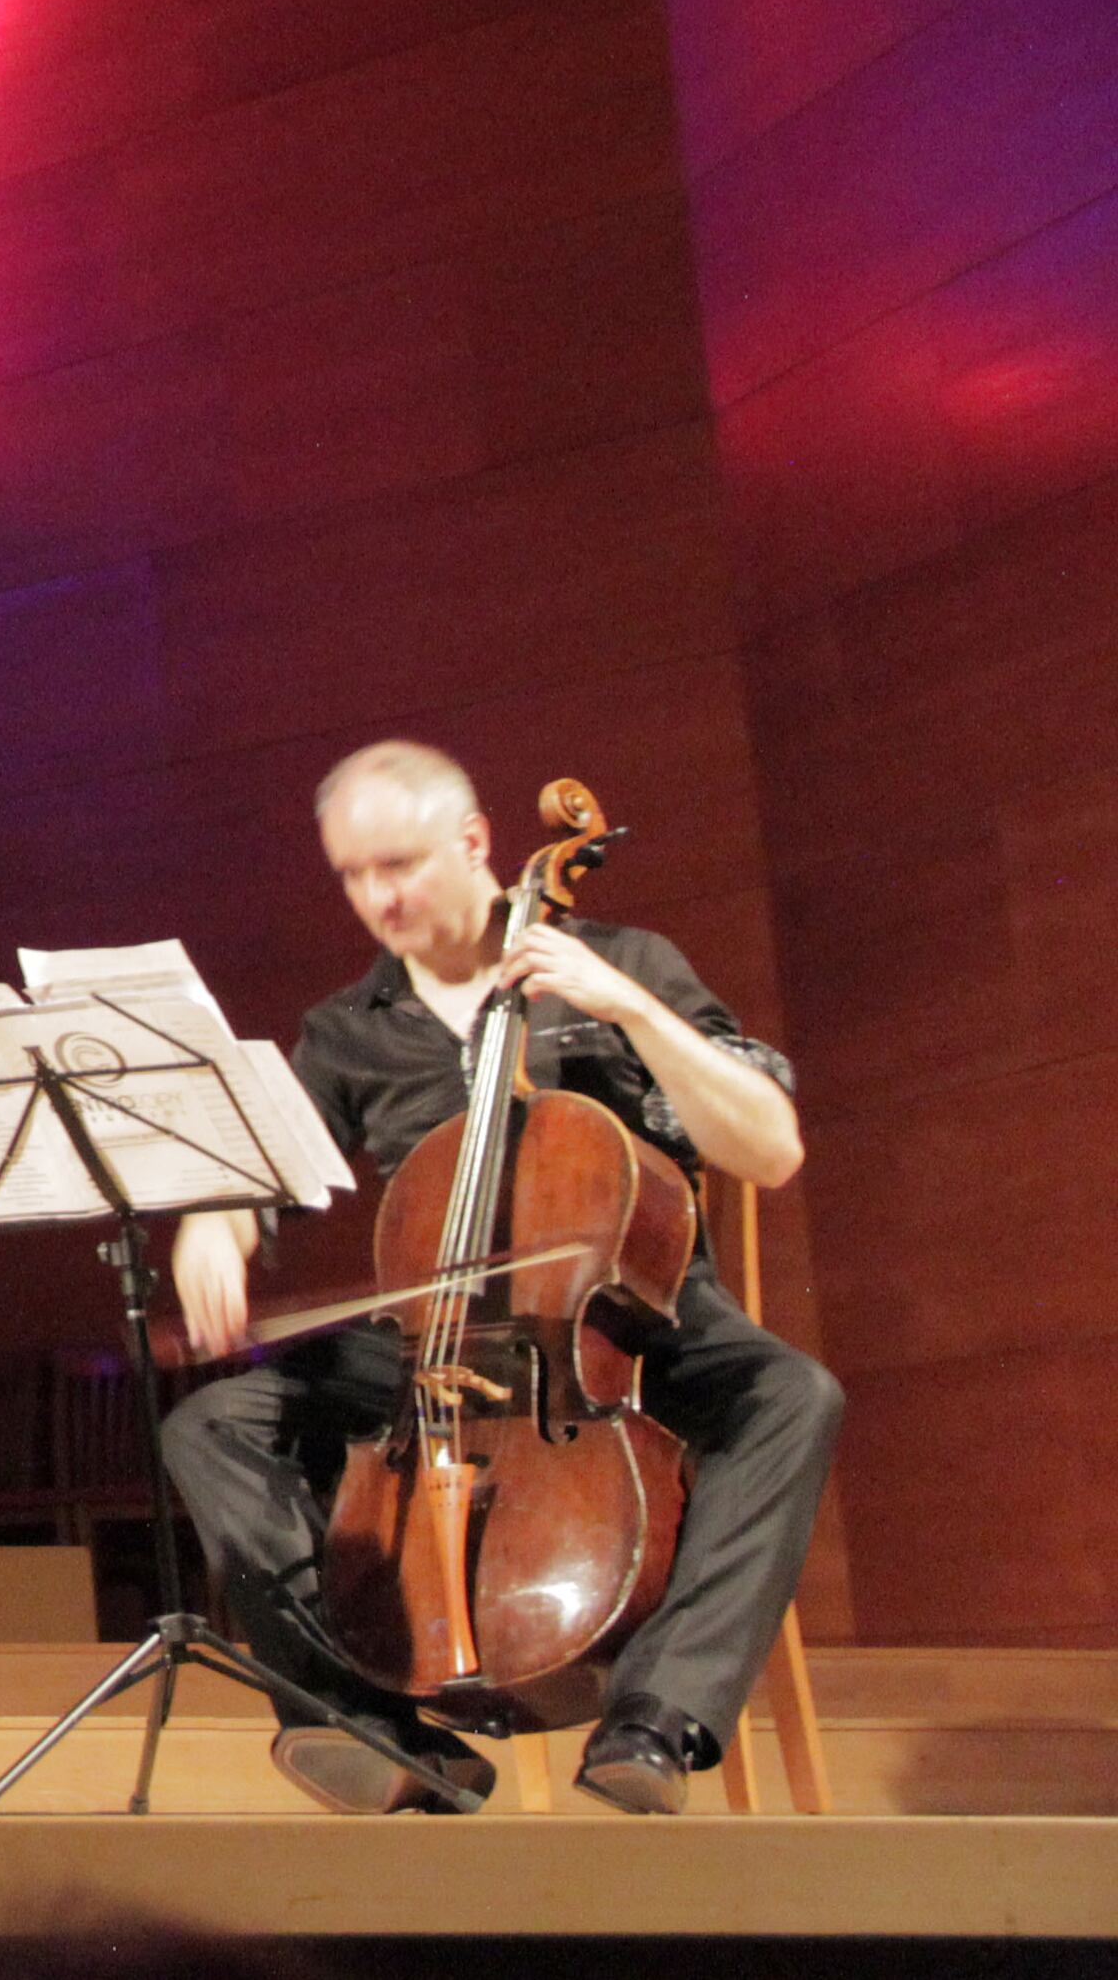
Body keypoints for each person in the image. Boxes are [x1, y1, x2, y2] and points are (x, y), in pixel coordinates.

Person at [159, 739, 838, 1816]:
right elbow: (264, 1169)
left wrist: (632, 1013)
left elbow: (769, 1149)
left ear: (473, 842)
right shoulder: (346, 1033)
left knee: (791, 1396)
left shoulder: (622, 961)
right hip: (431, 1342)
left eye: (398, 864)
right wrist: (213, 1224)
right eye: (350, 875)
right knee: (209, 1427)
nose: (375, 896)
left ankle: (654, 1717)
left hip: (629, 1326)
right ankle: (367, 1727)